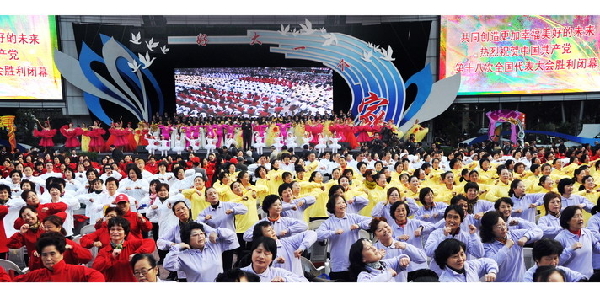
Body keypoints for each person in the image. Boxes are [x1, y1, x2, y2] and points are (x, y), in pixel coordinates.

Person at [315, 194, 372, 281]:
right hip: (338, 264)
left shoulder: (353, 217)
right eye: (338, 203)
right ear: (333, 207)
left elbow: (371, 221)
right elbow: (317, 235)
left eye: (343, 202)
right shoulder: (328, 222)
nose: (342, 205)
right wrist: (333, 232)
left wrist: (359, 225)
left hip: (355, 263)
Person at [10, 233, 105, 282]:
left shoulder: (76, 271)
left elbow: (97, 276)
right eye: (44, 255)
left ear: (62, 253)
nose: (48, 258)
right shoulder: (36, 275)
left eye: (52, 254)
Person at [479, 211, 542, 282]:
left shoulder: (514, 235)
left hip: (520, 281)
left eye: (503, 224)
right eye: (498, 226)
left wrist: (526, 236)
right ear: (490, 230)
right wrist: (506, 247)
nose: (503, 228)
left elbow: (539, 231)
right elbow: (493, 263)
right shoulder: (486, 246)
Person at [163, 221, 237, 282]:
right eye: (195, 235)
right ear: (187, 239)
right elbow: (168, 265)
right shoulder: (183, 256)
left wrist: (217, 232)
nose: (200, 236)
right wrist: (177, 247)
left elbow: (232, 236)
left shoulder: (213, 245)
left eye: (202, 233)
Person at [425, 205, 484, 275]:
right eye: (449, 216)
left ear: (461, 220)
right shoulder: (436, 233)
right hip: (439, 274)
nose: (452, 220)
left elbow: (479, 254)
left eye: (456, 217)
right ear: (445, 218)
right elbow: (429, 252)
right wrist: (443, 236)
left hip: (459, 275)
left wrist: (473, 235)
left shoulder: (466, 236)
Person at [92, 216, 156, 282]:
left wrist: (137, 254)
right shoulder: (104, 251)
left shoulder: (132, 244)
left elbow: (150, 242)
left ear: (125, 233)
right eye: (112, 229)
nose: (115, 232)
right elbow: (96, 267)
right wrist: (112, 256)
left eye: (119, 229)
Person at [369, 217, 427, 282]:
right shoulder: (373, 250)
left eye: (386, 226)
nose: (385, 230)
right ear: (376, 236)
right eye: (380, 230)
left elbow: (422, 259)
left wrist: (406, 247)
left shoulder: (402, 245)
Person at [251, 221, 317, 276]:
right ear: (262, 236)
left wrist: (302, 247)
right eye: (269, 231)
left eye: (272, 229)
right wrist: (274, 262)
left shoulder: (288, 242)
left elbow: (311, 233)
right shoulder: (259, 253)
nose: (273, 232)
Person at [554, 205, 600, 277]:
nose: (580, 219)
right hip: (571, 280)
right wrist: (570, 249)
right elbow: (556, 262)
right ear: (567, 220)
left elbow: (596, 247)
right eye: (576, 216)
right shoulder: (560, 238)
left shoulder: (587, 233)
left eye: (581, 215)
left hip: (588, 278)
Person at [239, 236, 308, 282]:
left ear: (273, 257)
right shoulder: (239, 273)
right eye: (258, 252)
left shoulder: (278, 273)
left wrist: (284, 280)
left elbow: (304, 281)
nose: (261, 256)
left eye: (266, 254)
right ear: (252, 253)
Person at [434, 238, 498, 282]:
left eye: (462, 254)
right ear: (444, 260)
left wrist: (492, 272)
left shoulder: (471, 265)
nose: (461, 259)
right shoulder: (445, 280)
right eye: (455, 256)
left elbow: (489, 262)